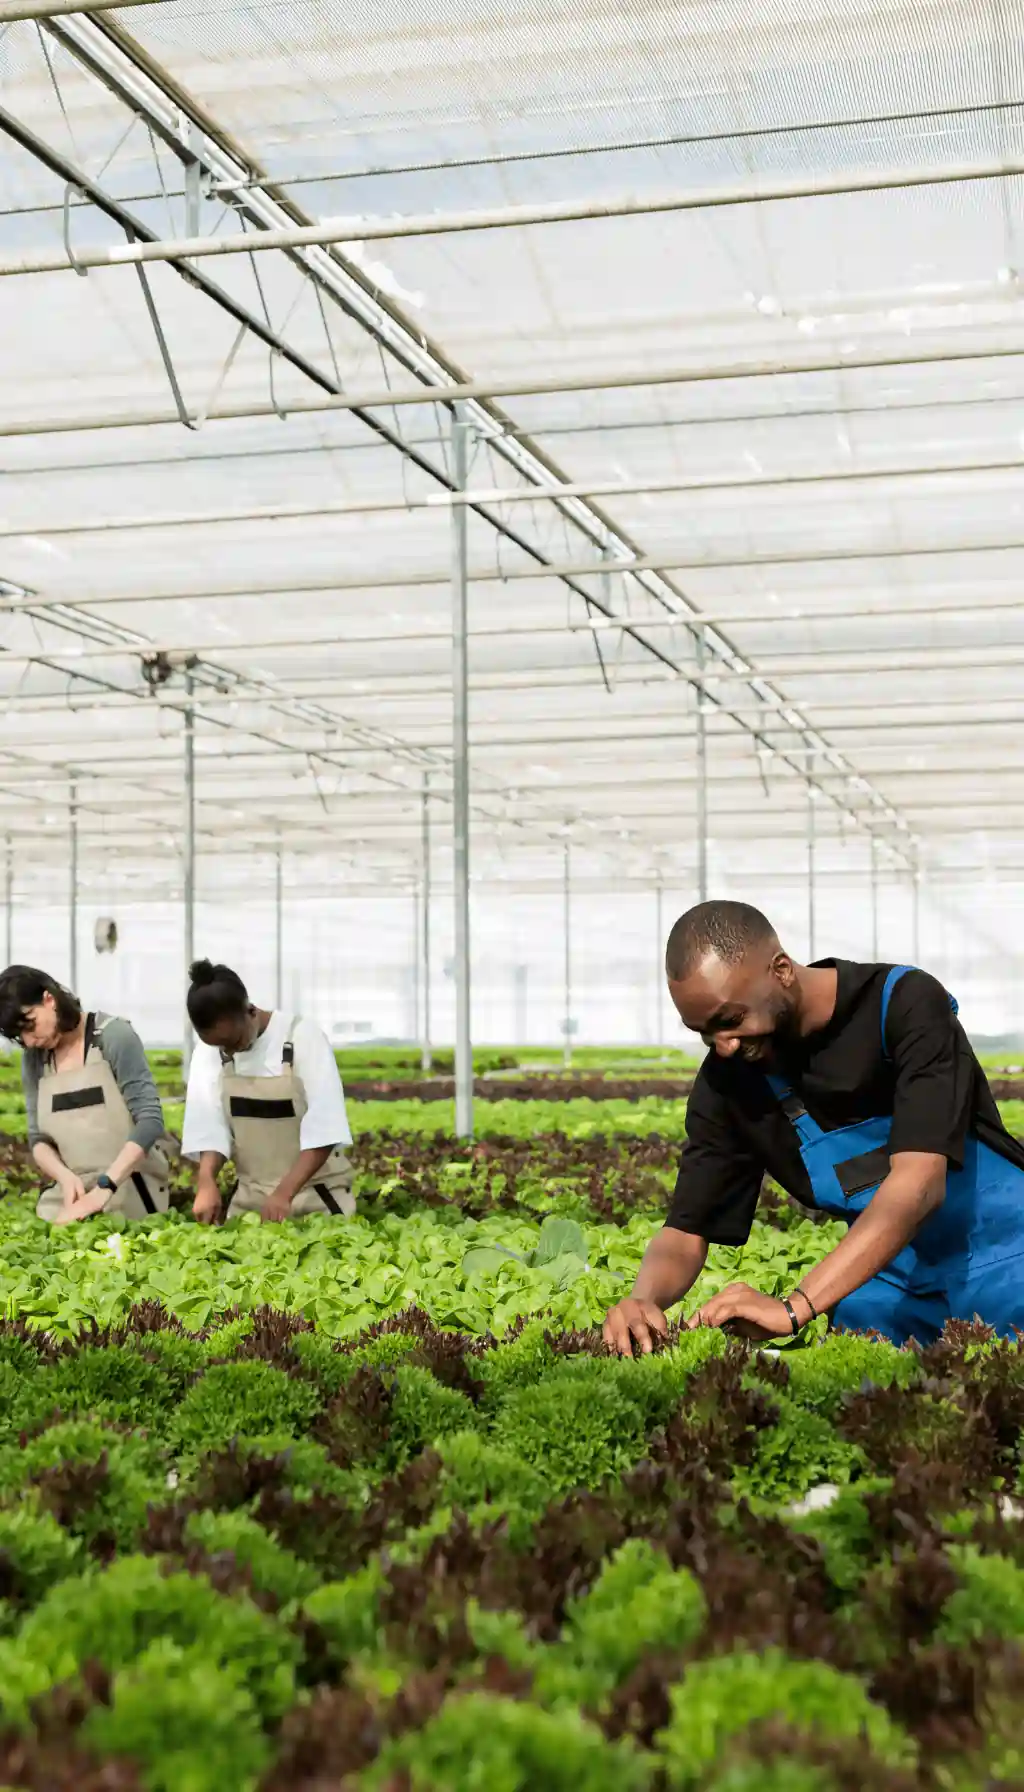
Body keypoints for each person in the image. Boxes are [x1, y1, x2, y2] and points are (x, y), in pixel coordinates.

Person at [603, 900, 1024, 1354]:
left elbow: (919, 1184)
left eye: (731, 1019)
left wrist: (795, 1307)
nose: (722, 1045)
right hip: (888, 1279)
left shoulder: (903, 1005)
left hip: (1007, 1255)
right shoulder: (729, 1082)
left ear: (781, 969)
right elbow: (686, 1229)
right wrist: (642, 1300)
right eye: (703, 1032)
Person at [182, 959, 355, 1224]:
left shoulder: (302, 1037)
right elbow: (209, 1126)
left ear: (249, 1010)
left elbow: (325, 1128)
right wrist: (206, 1181)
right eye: (218, 1047)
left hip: (317, 1199)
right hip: (252, 1202)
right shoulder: (209, 1052)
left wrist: (285, 1192)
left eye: (233, 1043)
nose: (228, 1053)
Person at [0, 964, 169, 1225]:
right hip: (75, 1189)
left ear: (49, 999)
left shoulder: (113, 1037)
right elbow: (39, 1139)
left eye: (30, 1025)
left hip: (129, 1184)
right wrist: (65, 1178)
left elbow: (149, 1120)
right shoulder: (34, 1059)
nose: (30, 1041)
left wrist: (105, 1187)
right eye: (19, 1037)